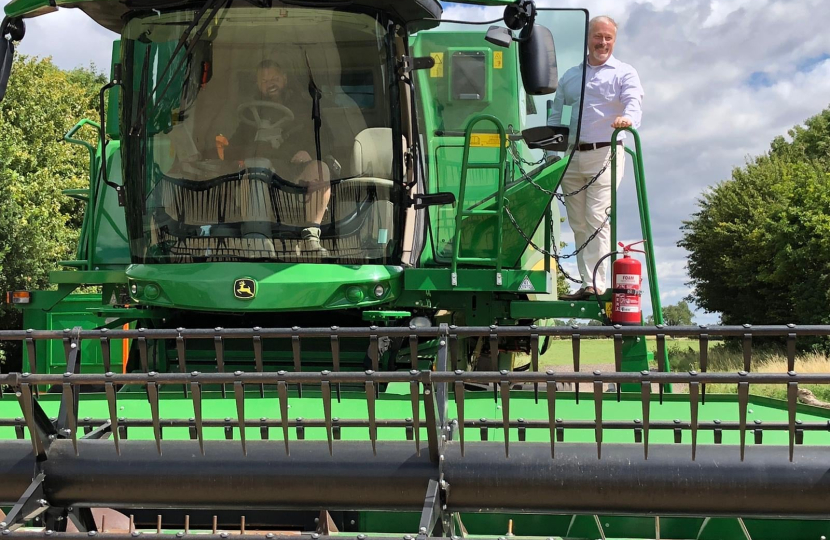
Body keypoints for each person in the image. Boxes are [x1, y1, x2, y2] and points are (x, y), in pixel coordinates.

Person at [548, 15, 643, 300]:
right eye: (598, 37)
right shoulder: (570, 76)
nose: (603, 42)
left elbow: (633, 102)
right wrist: (553, 151)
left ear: (614, 40)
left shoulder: (624, 73)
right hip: (572, 157)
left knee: (596, 217)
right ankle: (587, 281)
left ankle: (597, 284)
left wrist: (627, 119)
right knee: (577, 221)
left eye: (608, 38)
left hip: (605, 152)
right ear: (587, 39)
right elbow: (557, 113)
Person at [219, 59, 331, 255]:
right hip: (260, 175)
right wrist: (252, 146)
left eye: (274, 78)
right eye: (263, 80)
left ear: (285, 80)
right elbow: (232, 150)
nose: (270, 83)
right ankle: (257, 239)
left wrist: (309, 153)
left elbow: (327, 139)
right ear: (257, 85)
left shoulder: (306, 107)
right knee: (256, 164)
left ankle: (311, 236)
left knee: (320, 168)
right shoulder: (249, 115)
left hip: (295, 172)